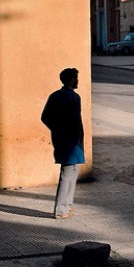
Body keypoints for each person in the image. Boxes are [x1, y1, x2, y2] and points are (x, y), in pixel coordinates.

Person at [40, 67, 85, 219]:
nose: (77, 81)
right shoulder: (73, 97)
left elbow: (45, 117)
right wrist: (70, 135)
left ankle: (67, 205)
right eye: (76, 78)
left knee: (72, 172)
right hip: (72, 142)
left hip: (65, 140)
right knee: (68, 175)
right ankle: (61, 209)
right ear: (71, 80)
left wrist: (58, 129)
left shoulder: (55, 96)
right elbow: (75, 121)